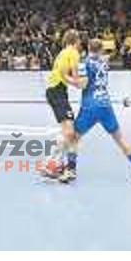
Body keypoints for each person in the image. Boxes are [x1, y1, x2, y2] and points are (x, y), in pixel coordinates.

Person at [52, 39, 131, 184]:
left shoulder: (85, 63)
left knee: (73, 139)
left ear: (88, 48)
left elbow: (83, 84)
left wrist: (66, 77)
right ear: (101, 49)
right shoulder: (104, 63)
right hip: (106, 105)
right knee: (120, 139)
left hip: (90, 107)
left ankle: (70, 171)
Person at [44, 29, 83, 173]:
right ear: (76, 41)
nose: (80, 43)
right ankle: (49, 164)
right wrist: (79, 83)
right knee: (69, 132)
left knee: (67, 132)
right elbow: (73, 75)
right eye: (79, 40)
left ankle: (57, 163)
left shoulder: (62, 52)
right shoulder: (73, 53)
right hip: (57, 91)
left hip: (55, 91)